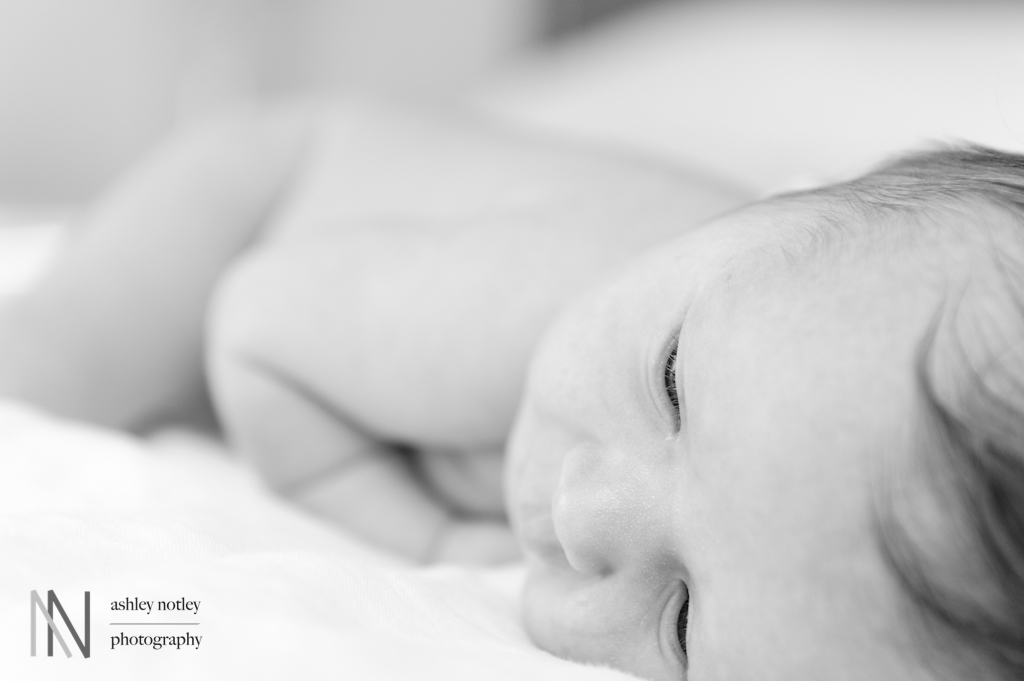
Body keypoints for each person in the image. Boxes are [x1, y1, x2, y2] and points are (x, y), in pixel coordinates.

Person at [0, 99, 1021, 680]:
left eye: (680, 621)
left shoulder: (757, 320)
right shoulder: (516, 302)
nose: (584, 516)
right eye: (670, 383)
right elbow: (258, 325)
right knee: (46, 371)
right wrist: (423, 538)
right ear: (796, 200)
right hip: (248, 199)